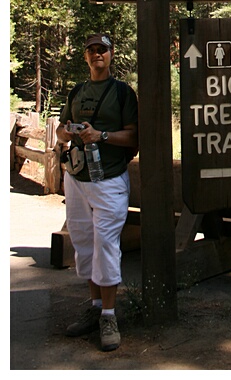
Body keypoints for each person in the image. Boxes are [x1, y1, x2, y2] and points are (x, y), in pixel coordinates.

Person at [56, 33, 138, 352]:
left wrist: (100, 135)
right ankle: (93, 308)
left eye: (101, 50)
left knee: (105, 244)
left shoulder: (122, 93)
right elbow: (64, 126)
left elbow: (133, 135)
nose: (96, 55)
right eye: (91, 51)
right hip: (77, 178)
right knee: (84, 241)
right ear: (86, 57)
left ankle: (108, 315)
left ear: (111, 54)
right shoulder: (77, 91)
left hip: (110, 180)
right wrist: (68, 132)